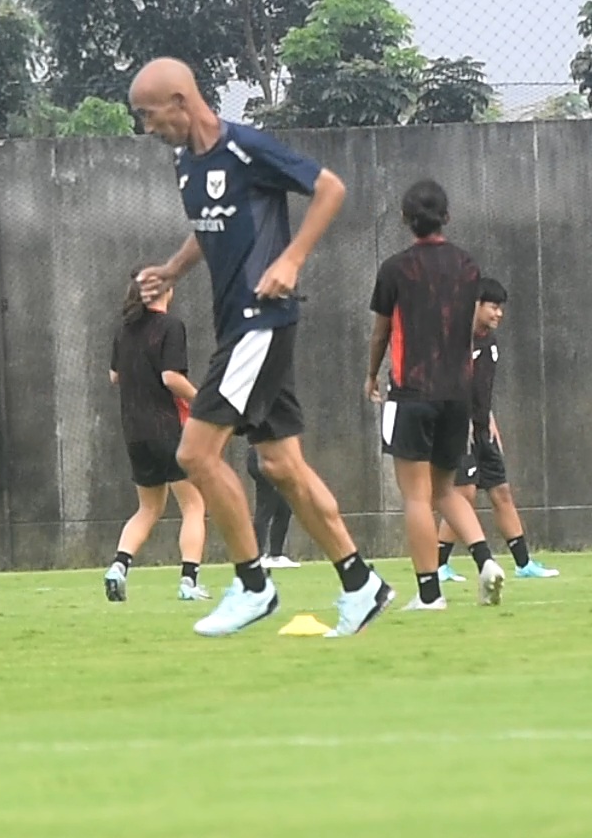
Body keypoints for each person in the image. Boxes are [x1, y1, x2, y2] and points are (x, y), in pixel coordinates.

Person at [130, 56, 392, 637]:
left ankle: (253, 585)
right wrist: (173, 269)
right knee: (282, 465)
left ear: (180, 102)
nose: (147, 128)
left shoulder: (246, 148)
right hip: (239, 327)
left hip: (260, 323)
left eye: (149, 115)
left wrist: (292, 259)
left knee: (196, 455)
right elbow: (210, 225)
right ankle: (361, 584)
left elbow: (330, 188)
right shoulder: (184, 162)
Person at [366, 180, 504, 611]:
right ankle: (486, 560)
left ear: (405, 219)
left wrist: (371, 375)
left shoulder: (394, 269)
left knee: (416, 496)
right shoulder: (468, 266)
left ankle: (429, 594)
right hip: (456, 394)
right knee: (447, 490)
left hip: (412, 391)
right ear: (447, 216)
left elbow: (382, 331)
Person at [442, 278, 559, 579]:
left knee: (502, 492)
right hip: (458, 430)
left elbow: (481, 387)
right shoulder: (456, 341)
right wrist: (460, 420)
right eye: (493, 307)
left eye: (501, 308)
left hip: (483, 430)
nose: (499, 314)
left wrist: (488, 417)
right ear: (476, 305)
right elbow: (446, 385)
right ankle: (439, 565)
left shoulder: (490, 341)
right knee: (464, 494)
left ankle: (524, 564)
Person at [105, 271, 210, 602]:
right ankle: (189, 582)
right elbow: (171, 377)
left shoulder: (124, 330)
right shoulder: (170, 326)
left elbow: (114, 376)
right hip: (169, 428)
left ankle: (118, 567)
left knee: (148, 508)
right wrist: (202, 402)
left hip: (135, 431)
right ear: (167, 291)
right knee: (193, 504)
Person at [247, 448, 296, 568]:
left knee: (284, 509)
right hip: (263, 457)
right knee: (265, 510)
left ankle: (276, 555)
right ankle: (257, 556)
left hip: (279, 459)